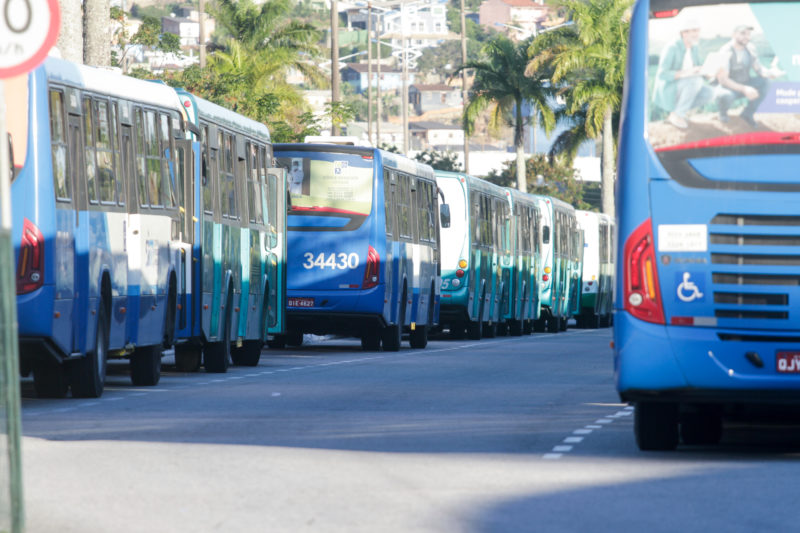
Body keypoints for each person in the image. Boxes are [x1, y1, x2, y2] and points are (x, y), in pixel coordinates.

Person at [652, 18, 714, 129]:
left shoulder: (694, 47)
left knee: (709, 93)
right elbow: (662, 74)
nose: (697, 34)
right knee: (695, 80)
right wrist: (686, 73)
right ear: (684, 33)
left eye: (698, 31)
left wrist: (707, 73)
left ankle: (680, 112)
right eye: (694, 31)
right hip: (670, 88)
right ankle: (677, 115)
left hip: (688, 86)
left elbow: (698, 67)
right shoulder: (672, 48)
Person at [715, 25, 774, 126]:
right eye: (742, 33)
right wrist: (744, 89)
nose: (746, 37)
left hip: (745, 81)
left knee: (767, 82)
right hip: (729, 87)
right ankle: (723, 114)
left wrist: (767, 73)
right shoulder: (724, 51)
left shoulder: (750, 48)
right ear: (733, 35)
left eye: (748, 34)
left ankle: (747, 114)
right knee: (725, 95)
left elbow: (758, 67)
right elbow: (723, 80)